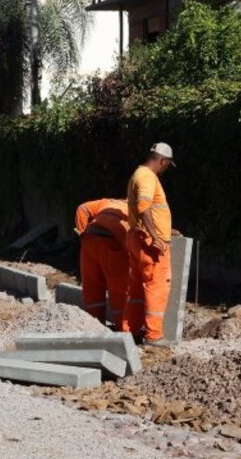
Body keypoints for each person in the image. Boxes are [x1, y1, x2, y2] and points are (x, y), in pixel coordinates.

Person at [124, 142, 177, 345]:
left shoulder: (138, 174)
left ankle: (132, 331)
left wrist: (165, 229)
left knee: (137, 288)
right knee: (157, 286)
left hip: (137, 238)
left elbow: (146, 211)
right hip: (149, 243)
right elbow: (144, 205)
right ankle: (154, 336)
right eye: (166, 165)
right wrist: (156, 236)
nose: (165, 170)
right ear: (162, 161)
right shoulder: (147, 177)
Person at [74, 198, 129, 330]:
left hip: (89, 239)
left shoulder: (106, 202)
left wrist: (82, 233)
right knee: (119, 288)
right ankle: (125, 330)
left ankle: (95, 327)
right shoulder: (137, 212)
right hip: (112, 243)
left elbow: (82, 208)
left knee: (92, 286)